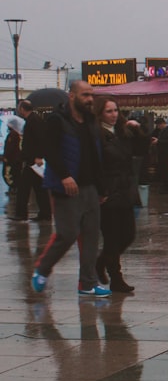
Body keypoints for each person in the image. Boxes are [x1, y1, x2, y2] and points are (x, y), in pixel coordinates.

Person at [31, 80, 111, 297]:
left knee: (91, 236)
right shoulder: (57, 120)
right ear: (72, 96)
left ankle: (87, 283)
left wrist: (102, 188)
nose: (90, 99)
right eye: (85, 95)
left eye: (91, 95)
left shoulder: (90, 121)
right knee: (67, 234)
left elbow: (96, 156)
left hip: (90, 187)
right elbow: (50, 150)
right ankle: (42, 269)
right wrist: (64, 176)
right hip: (66, 187)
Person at [93, 96, 148, 293]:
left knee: (128, 235)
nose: (114, 115)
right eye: (109, 111)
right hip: (108, 190)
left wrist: (138, 130)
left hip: (125, 188)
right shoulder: (96, 134)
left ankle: (101, 262)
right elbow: (94, 165)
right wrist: (101, 190)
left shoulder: (122, 132)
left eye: (116, 110)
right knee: (112, 237)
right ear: (100, 113)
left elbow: (141, 149)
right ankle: (116, 278)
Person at [12, 100, 52, 222]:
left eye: (19, 108)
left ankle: (21, 213)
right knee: (39, 188)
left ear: (22, 109)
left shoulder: (34, 121)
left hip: (33, 161)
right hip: (32, 160)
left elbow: (41, 140)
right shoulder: (32, 120)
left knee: (23, 188)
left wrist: (39, 156)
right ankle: (45, 214)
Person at [150, 117, 168, 193]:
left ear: (161, 124)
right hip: (162, 153)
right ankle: (165, 186)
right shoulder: (164, 130)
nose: (158, 127)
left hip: (166, 153)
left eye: (158, 125)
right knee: (164, 170)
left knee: (166, 170)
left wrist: (158, 141)